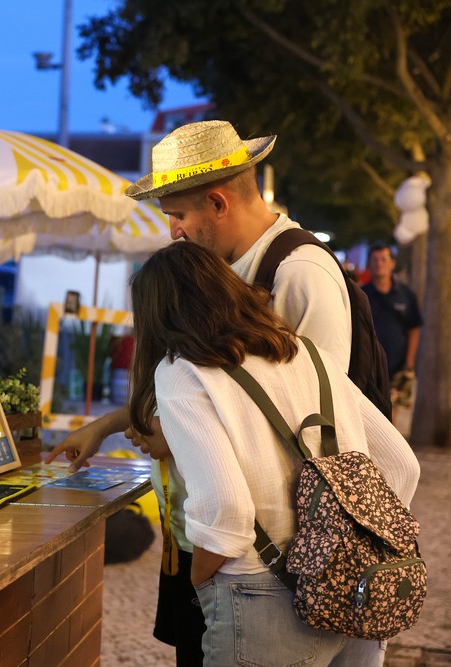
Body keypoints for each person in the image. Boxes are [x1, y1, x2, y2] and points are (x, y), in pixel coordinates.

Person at [47, 119, 355, 665]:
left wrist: (175, 437)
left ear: (217, 202)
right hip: (223, 544)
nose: (172, 232)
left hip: (270, 566)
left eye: (178, 215)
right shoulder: (227, 269)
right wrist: (116, 422)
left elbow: (319, 420)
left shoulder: (299, 273)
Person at [126, 241, 419, 665]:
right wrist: (356, 544)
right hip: (357, 593)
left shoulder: (181, 372)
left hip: (259, 591)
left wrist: (200, 583)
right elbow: (400, 465)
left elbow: (225, 509)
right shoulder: (306, 354)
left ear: (157, 316)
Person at [361, 245, 422, 380]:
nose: (379, 264)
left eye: (384, 259)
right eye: (375, 260)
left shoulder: (407, 294)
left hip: (399, 370)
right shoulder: (360, 295)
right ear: (369, 264)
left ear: (393, 264)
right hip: (369, 371)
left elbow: (414, 328)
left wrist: (409, 364)